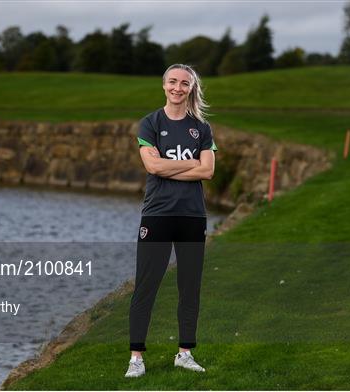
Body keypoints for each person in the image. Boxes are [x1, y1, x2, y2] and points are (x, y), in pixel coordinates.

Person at [125, 64, 217, 378]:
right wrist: (189, 162)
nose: (178, 88)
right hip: (157, 214)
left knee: (189, 287)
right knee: (146, 285)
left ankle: (185, 353)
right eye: (173, 82)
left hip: (192, 215)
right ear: (164, 85)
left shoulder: (201, 128)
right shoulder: (150, 123)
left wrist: (169, 165)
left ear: (192, 89)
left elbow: (207, 171)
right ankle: (136, 357)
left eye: (185, 84)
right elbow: (152, 167)